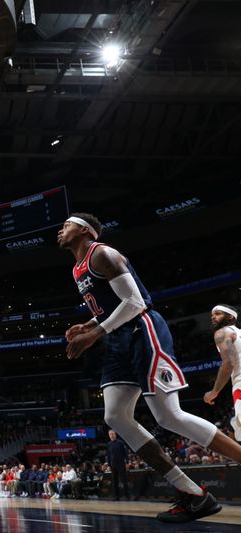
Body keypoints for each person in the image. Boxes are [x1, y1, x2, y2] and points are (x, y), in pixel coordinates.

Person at [59, 213, 241, 523]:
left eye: (67, 224)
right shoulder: (77, 268)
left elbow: (135, 302)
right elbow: (113, 303)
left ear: (84, 230)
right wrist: (89, 323)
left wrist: (95, 333)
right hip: (118, 338)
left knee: (168, 415)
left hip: (142, 330)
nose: (61, 230)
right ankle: (193, 494)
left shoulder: (102, 253)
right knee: (115, 415)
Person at [202, 304, 240, 441]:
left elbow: (229, 362)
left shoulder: (222, 332)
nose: (213, 317)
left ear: (230, 316)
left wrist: (214, 392)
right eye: (212, 315)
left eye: (217, 313)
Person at [106, 430, 131, 500]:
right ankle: (116, 497)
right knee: (115, 481)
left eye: (112, 434)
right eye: (110, 434)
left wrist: (127, 462)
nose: (111, 435)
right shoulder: (108, 444)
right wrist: (109, 465)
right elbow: (108, 455)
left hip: (121, 464)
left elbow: (125, 453)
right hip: (113, 464)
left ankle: (127, 496)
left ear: (115, 434)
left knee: (124, 480)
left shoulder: (120, 442)